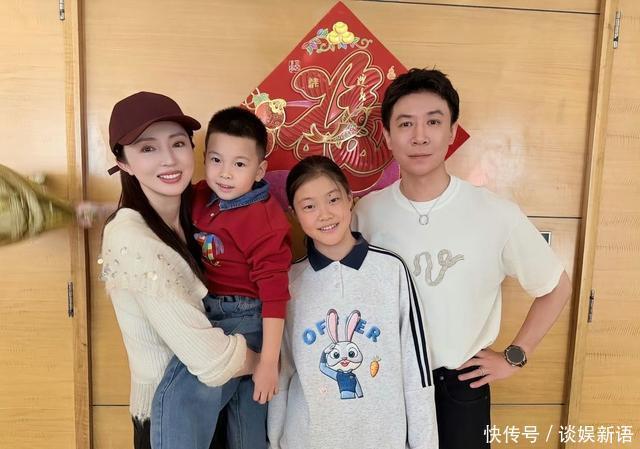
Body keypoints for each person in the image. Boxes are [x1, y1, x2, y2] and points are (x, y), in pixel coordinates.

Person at [352, 69, 572, 449]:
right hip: (386, 382)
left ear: (452, 131)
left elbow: (556, 286)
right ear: (387, 136)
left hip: (461, 385)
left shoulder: (495, 213)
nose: (420, 136)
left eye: (433, 122)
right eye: (405, 124)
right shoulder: (366, 213)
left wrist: (515, 356)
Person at [98, 91, 256, 449]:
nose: (169, 159)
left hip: (215, 404)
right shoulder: (130, 235)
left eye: (178, 143)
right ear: (123, 162)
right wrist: (267, 363)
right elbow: (206, 357)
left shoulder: (198, 213)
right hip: (169, 419)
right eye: (147, 148)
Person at [267, 155, 437, 449]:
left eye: (333, 200)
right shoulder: (289, 282)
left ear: (350, 199)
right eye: (309, 206)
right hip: (308, 440)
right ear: (294, 213)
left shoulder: (391, 270)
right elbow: (281, 373)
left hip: (382, 440)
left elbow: (415, 370)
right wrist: (274, 441)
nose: (324, 214)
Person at [151, 107, 292, 449]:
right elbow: (154, 210)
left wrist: (268, 362)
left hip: (247, 317)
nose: (225, 173)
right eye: (216, 160)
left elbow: (275, 295)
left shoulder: (264, 219)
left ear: (260, 170)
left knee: (182, 397)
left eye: (239, 164)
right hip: (208, 309)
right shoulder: (200, 196)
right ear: (204, 159)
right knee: (240, 417)